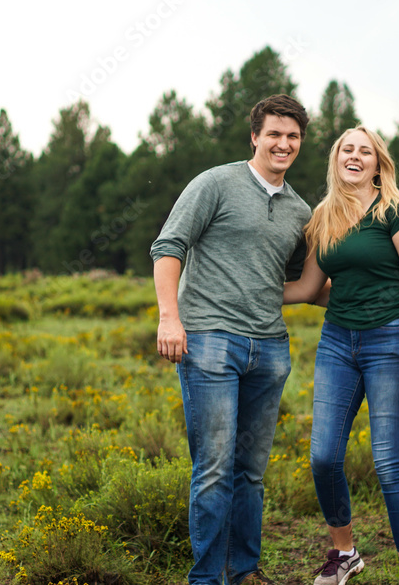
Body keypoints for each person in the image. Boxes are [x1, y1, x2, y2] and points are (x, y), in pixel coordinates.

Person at [150, 94, 313, 585]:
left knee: (251, 472)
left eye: (293, 137)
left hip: (269, 349)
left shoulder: (300, 211)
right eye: (275, 134)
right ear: (255, 137)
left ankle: (243, 571)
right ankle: (206, 579)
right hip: (209, 343)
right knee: (216, 468)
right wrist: (169, 318)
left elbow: (295, 284)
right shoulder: (215, 183)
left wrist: (386, 295)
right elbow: (168, 247)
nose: (283, 144)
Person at [283, 126, 399, 585]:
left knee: (389, 465)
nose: (355, 156)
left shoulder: (394, 210)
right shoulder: (323, 216)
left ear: (377, 163)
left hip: (393, 341)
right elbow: (310, 289)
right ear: (336, 159)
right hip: (338, 344)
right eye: (347, 149)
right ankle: (344, 553)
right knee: (324, 458)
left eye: (364, 151)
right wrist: (243, 289)